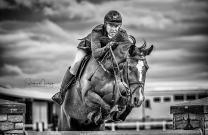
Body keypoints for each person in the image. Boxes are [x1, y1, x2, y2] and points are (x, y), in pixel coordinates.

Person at [52, 10, 130, 105]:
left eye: (116, 26)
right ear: (105, 24)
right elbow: (96, 53)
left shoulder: (123, 34)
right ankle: (61, 93)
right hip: (88, 47)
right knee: (76, 63)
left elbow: (127, 50)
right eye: (111, 25)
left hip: (106, 49)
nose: (113, 29)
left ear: (120, 26)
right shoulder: (97, 31)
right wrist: (107, 46)